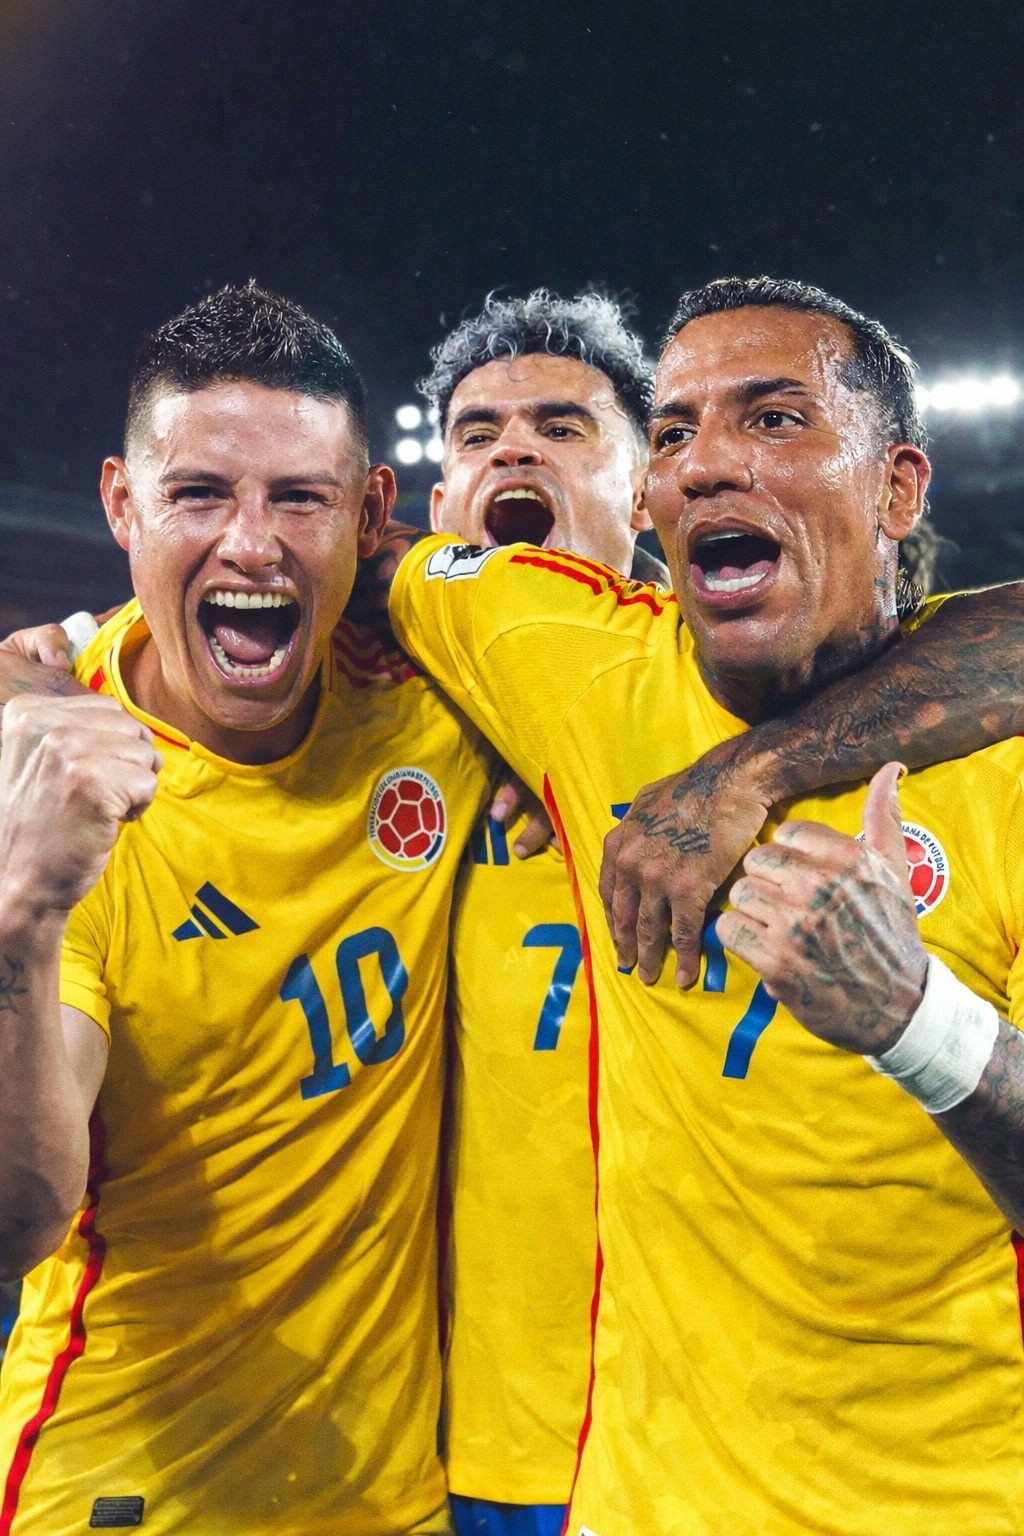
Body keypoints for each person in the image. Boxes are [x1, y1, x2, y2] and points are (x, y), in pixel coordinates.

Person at [368, 277, 1024, 1532]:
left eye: (774, 419)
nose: (710, 461)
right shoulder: (573, 666)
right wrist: (64, 656)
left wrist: (915, 1020)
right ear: (650, 499)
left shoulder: (1000, 775)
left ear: (897, 489)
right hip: (633, 1502)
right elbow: (303, 548)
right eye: (675, 431)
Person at [0, 282, 494, 1536]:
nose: (253, 545)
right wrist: (19, 921)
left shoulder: (436, 701)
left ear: (371, 513)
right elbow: (12, 1223)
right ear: (122, 504)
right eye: (199, 494)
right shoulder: (55, 785)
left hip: (393, 1500)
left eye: (300, 499)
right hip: (128, 1493)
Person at [420, 292, 665, 1536]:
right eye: (477, 435)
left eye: (562, 427)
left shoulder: (745, 692)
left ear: (646, 489)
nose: (513, 448)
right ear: (437, 511)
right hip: (492, 1439)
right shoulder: (382, 729)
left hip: (713, 1441)